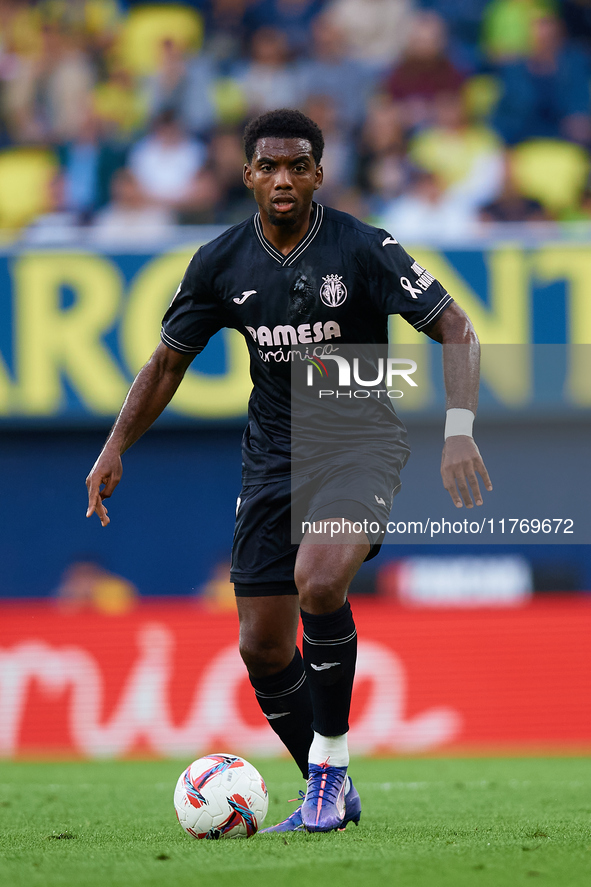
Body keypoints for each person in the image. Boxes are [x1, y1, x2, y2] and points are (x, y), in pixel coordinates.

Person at [86, 108, 492, 834]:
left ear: (317, 173)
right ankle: (324, 782)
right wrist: (116, 444)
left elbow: (456, 326)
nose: (282, 178)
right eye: (267, 166)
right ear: (245, 175)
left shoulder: (366, 249)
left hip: (357, 443)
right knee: (261, 643)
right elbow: (167, 361)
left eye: (296, 165)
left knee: (320, 580)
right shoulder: (217, 262)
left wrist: (459, 431)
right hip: (272, 457)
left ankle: (330, 774)